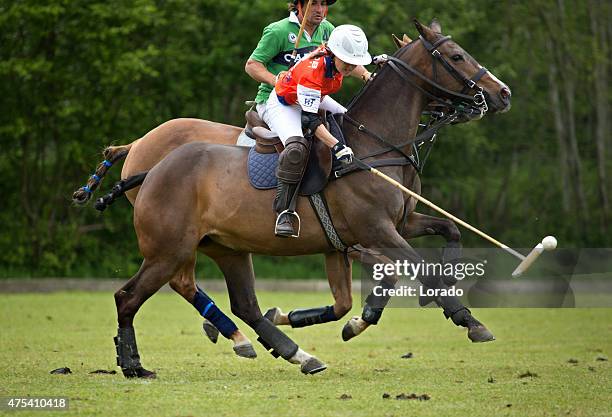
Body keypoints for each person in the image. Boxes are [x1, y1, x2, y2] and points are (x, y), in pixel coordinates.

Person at [261, 24, 372, 237]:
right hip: (285, 103)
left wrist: (375, 61)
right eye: (347, 62)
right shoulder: (313, 71)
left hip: (315, 95)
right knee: (296, 148)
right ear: (334, 53)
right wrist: (337, 146)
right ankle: (284, 211)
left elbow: (358, 60)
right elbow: (310, 120)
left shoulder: (336, 60)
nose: (350, 67)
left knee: (349, 118)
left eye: (354, 63)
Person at [237, 0, 371, 145]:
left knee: (352, 123)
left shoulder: (328, 29)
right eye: (313, 3)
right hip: (275, 98)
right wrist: (275, 80)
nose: (319, 9)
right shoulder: (278, 30)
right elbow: (252, 65)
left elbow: (346, 58)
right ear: (299, 5)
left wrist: (366, 75)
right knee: (297, 147)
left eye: (323, 4)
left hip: (311, 96)